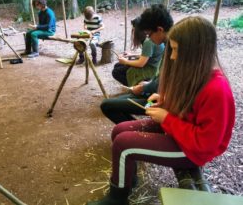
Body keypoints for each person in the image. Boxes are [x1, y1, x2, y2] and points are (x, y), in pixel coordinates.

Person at [87, 16, 235, 205]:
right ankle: (128, 180)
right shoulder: (198, 74)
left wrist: (166, 118)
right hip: (178, 133)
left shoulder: (217, 89)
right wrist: (165, 101)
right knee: (119, 130)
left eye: (174, 50)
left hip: (192, 151)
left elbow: (205, 143)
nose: (172, 56)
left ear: (194, 52)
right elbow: (188, 106)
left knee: (124, 144)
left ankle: (117, 198)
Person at [101, 4, 173, 124]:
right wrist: (148, 84)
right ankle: (137, 127)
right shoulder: (167, 45)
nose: (148, 37)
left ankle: (140, 128)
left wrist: (144, 87)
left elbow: (162, 82)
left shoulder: (173, 48)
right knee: (112, 103)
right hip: (153, 94)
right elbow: (161, 77)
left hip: (155, 98)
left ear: (160, 29)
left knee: (107, 105)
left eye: (149, 34)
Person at [112, 17, 165, 87]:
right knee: (118, 65)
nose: (133, 31)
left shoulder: (148, 42)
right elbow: (147, 56)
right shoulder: (150, 38)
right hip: (152, 65)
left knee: (116, 72)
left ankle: (135, 86)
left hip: (150, 70)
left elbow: (141, 64)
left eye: (133, 28)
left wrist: (125, 61)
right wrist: (131, 55)